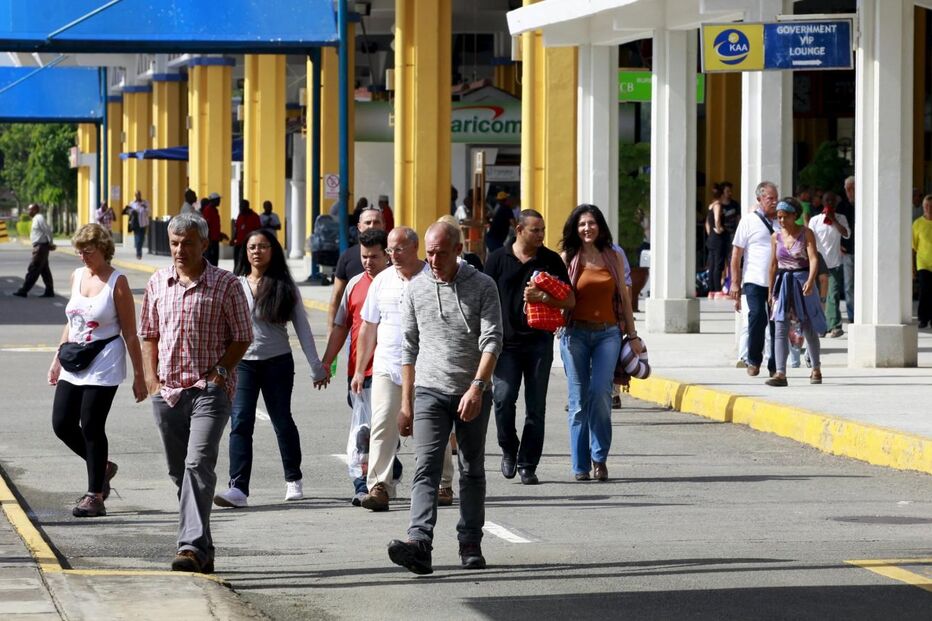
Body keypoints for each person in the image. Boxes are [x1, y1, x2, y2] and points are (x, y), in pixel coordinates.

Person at [139, 213, 252, 574]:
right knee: (180, 472)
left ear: (204, 244)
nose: (179, 250)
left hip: (208, 390)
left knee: (196, 464)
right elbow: (149, 334)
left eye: (187, 243)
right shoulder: (158, 282)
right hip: (168, 391)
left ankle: (188, 547)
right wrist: (151, 379)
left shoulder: (226, 284)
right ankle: (203, 546)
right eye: (174, 243)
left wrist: (221, 371)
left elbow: (243, 335)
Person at [387, 221, 502, 575]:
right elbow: (409, 348)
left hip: (472, 392)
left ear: (458, 249)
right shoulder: (416, 288)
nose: (433, 259)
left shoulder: (482, 286)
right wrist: (406, 404)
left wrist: (477, 387)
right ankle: (419, 543)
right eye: (430, 252)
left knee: (470, 468)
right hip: (429, 392)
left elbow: (493, 341)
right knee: (426, 466)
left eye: (440, 252)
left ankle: (470, 542)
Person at [214, 229, 329, 509]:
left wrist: (316, 366)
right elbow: (220, 328)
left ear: (272, 250)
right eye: (252, 247)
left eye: (263, 246)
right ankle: (238, 488)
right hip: (242, 364)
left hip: (277, 362)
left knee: (281, 420)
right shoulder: (234, 284)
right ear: (245, 252)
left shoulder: (284, 286)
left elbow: (302, 327)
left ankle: (293, 478)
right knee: (240, 422)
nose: (257, 251)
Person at [47, 223, 147, 518]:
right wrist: (56, 358)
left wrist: (140, 377)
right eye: (79, 251)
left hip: (105, 358)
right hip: (75, 357)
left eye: (87, 251)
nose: (82, 257)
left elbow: (130, 333)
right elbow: (72, 320)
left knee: (91, 424)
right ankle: (102, 467)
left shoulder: (118, 282)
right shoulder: (77, 275)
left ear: (103, 248)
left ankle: (95, 496)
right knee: (62, 423)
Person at [485, 209, 574, 486]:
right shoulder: (498, 259)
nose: (541, 236)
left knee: (536, 407)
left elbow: (570, 301)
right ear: (519, 229)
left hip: (538, 343)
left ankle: (528, 463)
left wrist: (544, 296)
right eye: (535, 230)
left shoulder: (549, 260)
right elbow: (484, 295)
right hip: (506, 344)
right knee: (503, 398)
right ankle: (509, 448)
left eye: (543, 230)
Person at [352, 227, 431, 511]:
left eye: (398, 249)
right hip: (387, 365)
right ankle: (379, 486)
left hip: (426, 367)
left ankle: (441, 483)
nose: (393, 255)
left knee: (432, 427)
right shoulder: (382, 281)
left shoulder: (431, 278)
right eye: (390, 250)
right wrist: (361, 369)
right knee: (382, 423)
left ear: (414, 247)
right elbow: (368, 327)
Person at [559, 205, 639, 483]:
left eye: (592, 223)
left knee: (601, 393)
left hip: (608, 334)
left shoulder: (613, 256)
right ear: (575, 228)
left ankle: (599, 458)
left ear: (600, 226)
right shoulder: (568, 257)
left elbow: (625, 299)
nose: (587, 228)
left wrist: (633, 334)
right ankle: (580, 466)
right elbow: (558, 296)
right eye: (582, 224)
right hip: (575, 335)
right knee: (578, 400)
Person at [320, 229, 395, 505]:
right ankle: (364, 484)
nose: (368, 262)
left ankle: (381, 475)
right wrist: (327, 362)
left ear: (386, 255)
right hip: (360, 372)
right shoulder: (354, 285)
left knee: (381, 431)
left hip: (392, 370)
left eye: (374, 256)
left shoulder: (399, 283)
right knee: (364, 431)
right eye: (364, 256)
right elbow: (341, 327)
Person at [765, 198, 827, 387]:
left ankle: (816, 368)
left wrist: (810, 280)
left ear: (794, 216)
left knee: (807, 325)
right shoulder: (776, 237)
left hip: (802, 282)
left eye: (784, 217)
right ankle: (780, 373)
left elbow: (813, 259)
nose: (781, 221)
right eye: (779, 217)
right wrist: (770, 291)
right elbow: (774, 265)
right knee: (781, 326)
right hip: (783, 283)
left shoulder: (806, 233)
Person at [731, 181, 780, 378]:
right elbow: (736, 254)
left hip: (777, 282)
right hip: (754, 280)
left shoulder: (782, 221)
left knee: (778, 323)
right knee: (757, 317)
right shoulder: (748, 221)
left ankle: (776, 365)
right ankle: (753, 359)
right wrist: (735, 282)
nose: (775, 202)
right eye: (770, 198)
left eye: (776, 197)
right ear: (759, 199)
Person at [328, 206, 384, 328]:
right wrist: (330, 331)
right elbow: (337, 296)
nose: (372, 226)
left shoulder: (394, 255)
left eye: (376, 222)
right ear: (359, 226)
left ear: (383, 225)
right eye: (368, 222)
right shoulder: (347, 257)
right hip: (354, 330)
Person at [809, 192, 850, 338]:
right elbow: (809, 241)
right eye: (827, 200)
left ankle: (835, 326)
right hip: (819, 264)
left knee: (833, 295)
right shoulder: (814, 220)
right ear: (823, 202)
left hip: (835, 264)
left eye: (833, 200)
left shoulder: (841, 218)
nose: (830, 203)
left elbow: (846, 234)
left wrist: (833, 220)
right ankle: (820, 326)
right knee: (819, 296)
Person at [13, 203, 55, 298]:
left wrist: (51, 243)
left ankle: (24, 290)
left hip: (40, 248)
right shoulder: (36, 219)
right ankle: (49, 291)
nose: (28, 212)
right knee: (45, 271)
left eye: (30, 210)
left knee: (33, 269)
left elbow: (47, 230)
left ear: (35, 210)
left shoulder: (39, 218)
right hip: (40, 247)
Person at [705, 181, 739, 293]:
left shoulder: (713, 205)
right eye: (727, 191)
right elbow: (715, 220)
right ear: (722, 193)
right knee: (719, 263)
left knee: (717, 262)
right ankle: (717, 289)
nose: (730, 193)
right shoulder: (718, 205)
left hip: (726, 236)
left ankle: (714, 289)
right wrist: (718, 230)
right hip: (720, 237)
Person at [836, 176, 856, 323]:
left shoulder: (864, 203)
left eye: (851, 189)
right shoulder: (842, 206)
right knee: (848, 285)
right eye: (847, 189)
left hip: (863, 252)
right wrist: (839, 243)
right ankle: (852, 315)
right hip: (847, 251)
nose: (848, 192)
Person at [913, 194, 932, 328]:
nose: (929, 209)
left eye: (931, 206)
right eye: (926, 206)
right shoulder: (918, 223)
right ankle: (923, 318)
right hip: (923, 263)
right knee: (924, 291)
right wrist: (912, 267)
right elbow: (913, 247)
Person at [231, 199, 262, 273]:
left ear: (247, 206)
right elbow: (237, 229)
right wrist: (233, 238)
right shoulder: (240, 215)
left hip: (249, 244)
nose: (240, 208)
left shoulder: (255, 216)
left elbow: (258, 230)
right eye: (240, 206)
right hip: (239, 243)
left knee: (247, 262)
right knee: (237, 261)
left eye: (242, 206)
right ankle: (236, 274)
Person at [201, 192, 226, 266]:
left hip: (215, 240)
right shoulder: (208, 210)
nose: (219, 202)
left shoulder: (215, 210)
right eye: (218, 200)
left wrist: (220, 234)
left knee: (215, 261)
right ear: (213, 200)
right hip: (211, 242)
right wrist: (209, 242)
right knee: (210, 261)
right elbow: (207, 226)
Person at [125, 191, 150, 260]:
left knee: (142, 239)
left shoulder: (145, 202)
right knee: (138, 238)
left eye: (139, 195)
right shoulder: (132, 203)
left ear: (140, 195)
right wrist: (132, 211)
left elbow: (148, 212)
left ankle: (139, 249)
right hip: (136, 223)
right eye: (136, 195)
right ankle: (139, 253)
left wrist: (144, 207)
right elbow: (128, 211)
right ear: (135, 195)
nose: (138, 196)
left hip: (143, 223)